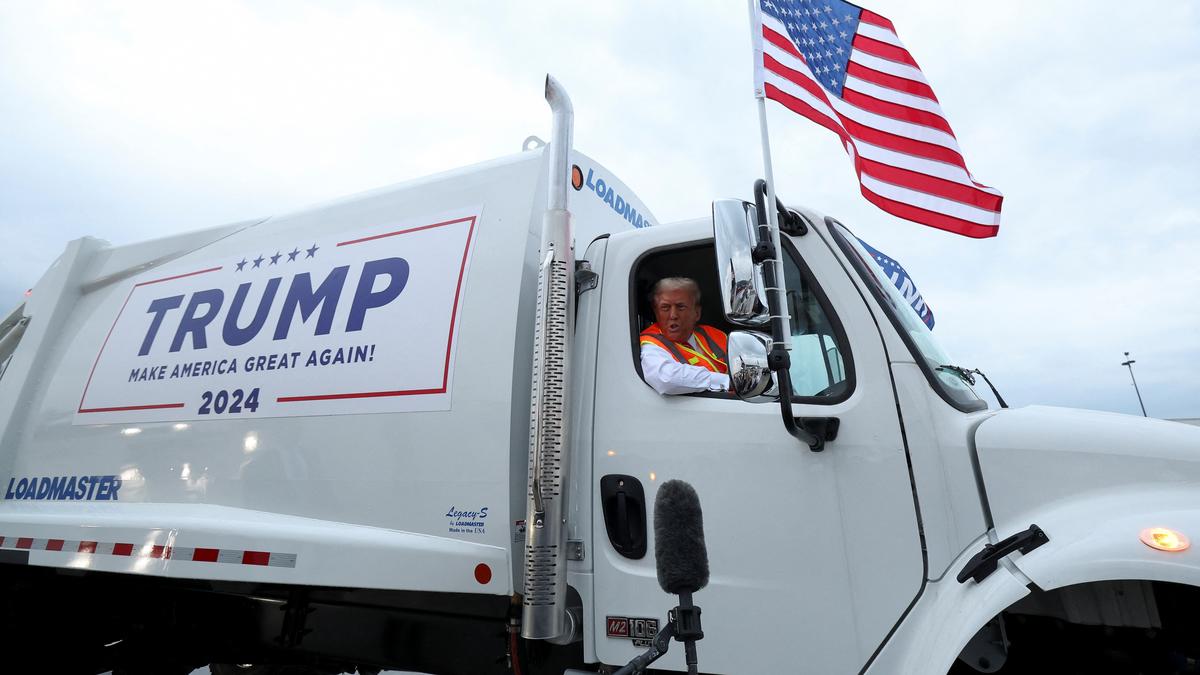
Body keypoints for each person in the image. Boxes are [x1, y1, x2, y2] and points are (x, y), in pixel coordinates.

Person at [639, 277, 730, 395]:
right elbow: (666, 378)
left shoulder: (716, 335)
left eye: (681, 307)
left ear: (697, 313)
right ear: (656, 313)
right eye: (665, 308)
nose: (673, 315)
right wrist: (725, 381)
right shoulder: (650, 343)